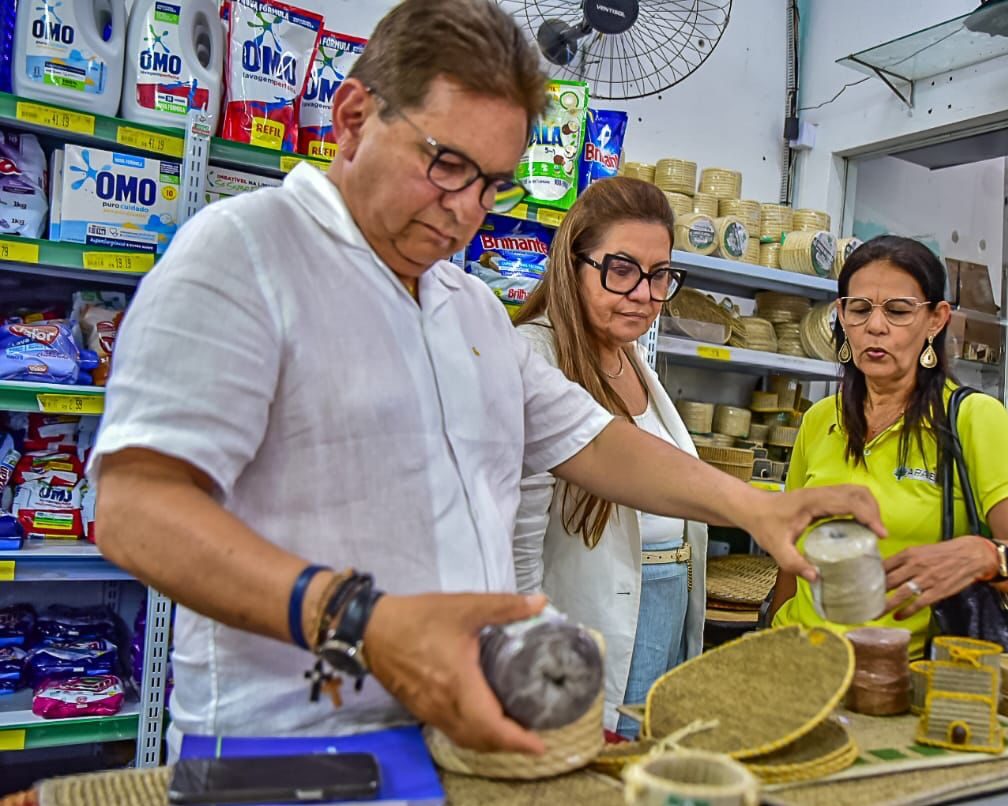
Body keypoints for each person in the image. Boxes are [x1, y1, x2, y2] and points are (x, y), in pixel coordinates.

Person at [89, 0, 886, 755]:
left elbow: (594, 442)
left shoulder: (465, 305)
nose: (467, 210)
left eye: (493, 183)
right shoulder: (244, 254)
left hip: (457, 720)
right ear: (354, 118)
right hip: (290, 739)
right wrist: (358, 619)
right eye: (446, 165)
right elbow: (135, 508)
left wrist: (759, 506)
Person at [769, 235, 1008, 657]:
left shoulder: (972, 419)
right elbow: (790, 559)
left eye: (899, 311)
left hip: (903, 676)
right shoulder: (819, 421)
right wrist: (771, 646)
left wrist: (984, 555)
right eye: (860, 309)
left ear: (936, 320)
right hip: (801, 662)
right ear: (841, 316)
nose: (876, 326)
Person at [511, 177, 703, 738]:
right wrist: (531, 650)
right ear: (573, 265)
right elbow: (518, 540)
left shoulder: (626, 357)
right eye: (621, 269)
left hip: (661, 611)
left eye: (660, 274)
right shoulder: (535, 353)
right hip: (587, 622)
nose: (643, 293)